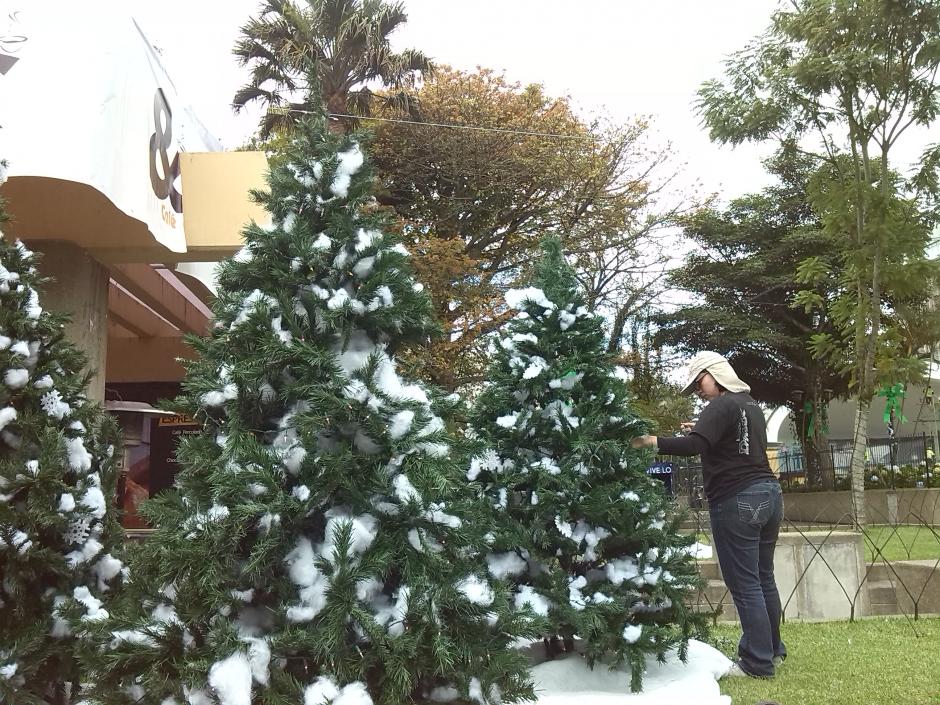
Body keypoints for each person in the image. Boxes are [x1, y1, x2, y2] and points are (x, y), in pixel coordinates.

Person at [631, 351, 785, 678]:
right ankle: (772, 650)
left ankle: (757, 663)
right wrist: (700, 429)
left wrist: (649, 441)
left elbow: (693, 447)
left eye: (700, 381)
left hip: (738, 499)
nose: (699, 390)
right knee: (763, 577)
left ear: (715, 374)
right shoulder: (751, 405)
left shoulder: (720, 405)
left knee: (744, 583)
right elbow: (733, 442)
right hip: (770, 494)